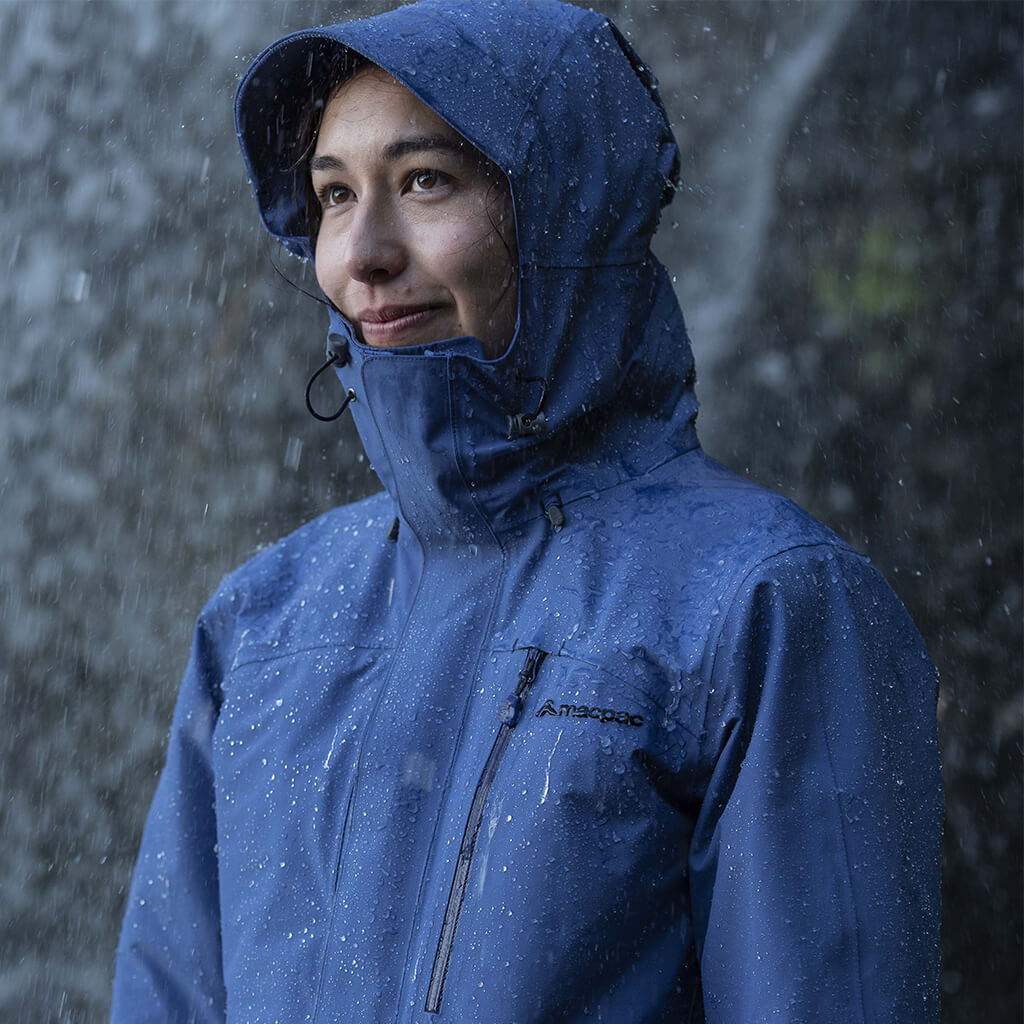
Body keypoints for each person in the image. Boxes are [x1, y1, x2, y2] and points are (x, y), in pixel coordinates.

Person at [111, 2, 942, 1021]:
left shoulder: (763, 603)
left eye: (425, 181)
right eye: (333, 195)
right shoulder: (262, 621)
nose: (361, 252)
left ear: (566, 211)